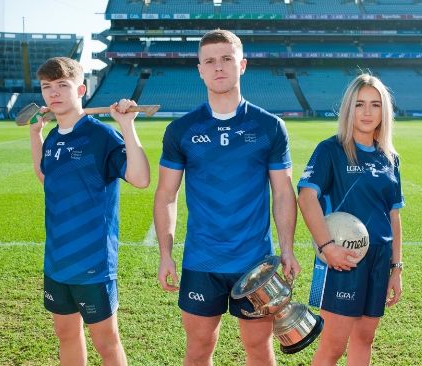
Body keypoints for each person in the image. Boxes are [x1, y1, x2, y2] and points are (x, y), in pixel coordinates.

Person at [154, 29, 301, 366]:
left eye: (226, 59)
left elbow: (282, 192)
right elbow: (166, 195)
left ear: (242, 65)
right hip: (201, 262)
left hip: (255, 263)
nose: (218, 67)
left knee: (259, 350)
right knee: (198, 349)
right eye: (210, 61)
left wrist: (288, 249)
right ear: (200, 70)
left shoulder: (270, 127)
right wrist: (166, 254)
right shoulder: (181, 130)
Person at [29, 56, 150, 366]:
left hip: (93, 263)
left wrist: (126, 126)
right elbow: (47, 177)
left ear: (80, 89)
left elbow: (140, 179)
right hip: (57, 260)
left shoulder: (101, 136)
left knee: (106, 343)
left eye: (62, 86)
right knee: (66, 334)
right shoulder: (54, 137)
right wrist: (36, 137)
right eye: (47, 87)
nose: (53, 93)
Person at [296, 73, 404, 366]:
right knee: (333, 345)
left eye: (375, 104)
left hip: (380, 261)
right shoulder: (331, 150)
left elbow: (393, 215)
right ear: (348, 109)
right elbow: (306, 198)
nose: (367, 112)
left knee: (364, 339)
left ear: (385, 111)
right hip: (342, 259)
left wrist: (396, 267)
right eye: (359, 104)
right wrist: (327, 247)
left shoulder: (390, 157)